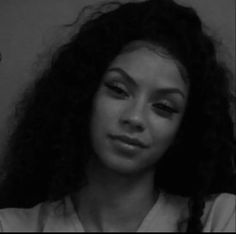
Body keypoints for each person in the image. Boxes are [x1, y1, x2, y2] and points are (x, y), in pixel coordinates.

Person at [0, 0, 235, 232]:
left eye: (163, 107)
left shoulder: (220, 218)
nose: (135, 118)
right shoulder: (11, 226)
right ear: (84, 95)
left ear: (183, 129)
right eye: (118, 90)